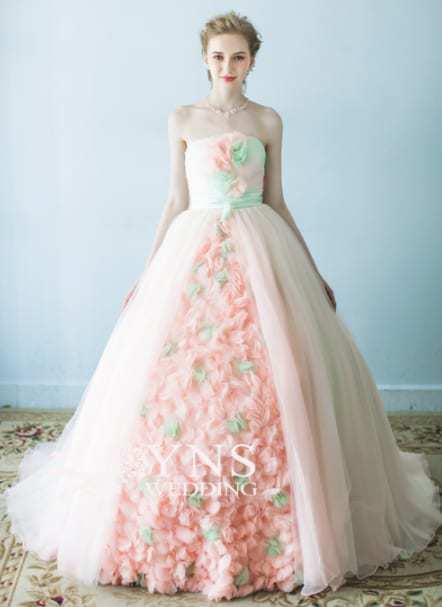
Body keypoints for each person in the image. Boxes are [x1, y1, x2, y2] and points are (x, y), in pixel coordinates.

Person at [4, 9, 442, 603]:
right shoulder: (183, 118)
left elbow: (278, 200)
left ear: (253, 60)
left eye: (238, 57)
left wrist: (312, 270)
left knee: (278, 377)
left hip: (262, 246)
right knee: (181, 383)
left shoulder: (268, 120)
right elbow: (175, 199)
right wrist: (147, 273)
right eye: (218, 57)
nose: (228, 66)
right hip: (195, 247)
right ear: (204, 60)